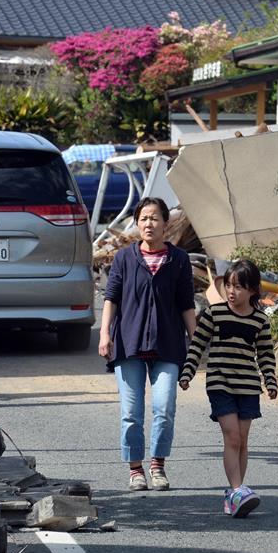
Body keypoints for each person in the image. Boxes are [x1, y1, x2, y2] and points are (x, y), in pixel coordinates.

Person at [98, 198, 196, 491]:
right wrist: (105, 334)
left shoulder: (179, 259)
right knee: (131, 413)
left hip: (168, 344)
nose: (149, 224)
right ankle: (135, 468)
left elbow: (186, 304)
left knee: (164, 407)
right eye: (143, 218)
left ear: (166, 223)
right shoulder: (124, 259)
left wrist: (197, 341)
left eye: (154, 218)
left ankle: (157, 464)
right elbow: (111, 298)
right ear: (137, 223)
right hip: (129, 344)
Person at [178, 258, 278, 518]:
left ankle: (235, 495)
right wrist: (187, 372)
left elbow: (266, 354)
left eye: (239, 287)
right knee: (232, 436)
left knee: (242, 441)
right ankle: (237, 490)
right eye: (229, 286)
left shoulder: (260, 321)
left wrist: (270, 380)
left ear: (253, 290)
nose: (232, 292)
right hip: (220, 383)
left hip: (247, 386)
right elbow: (198, 344)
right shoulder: (215, 313)